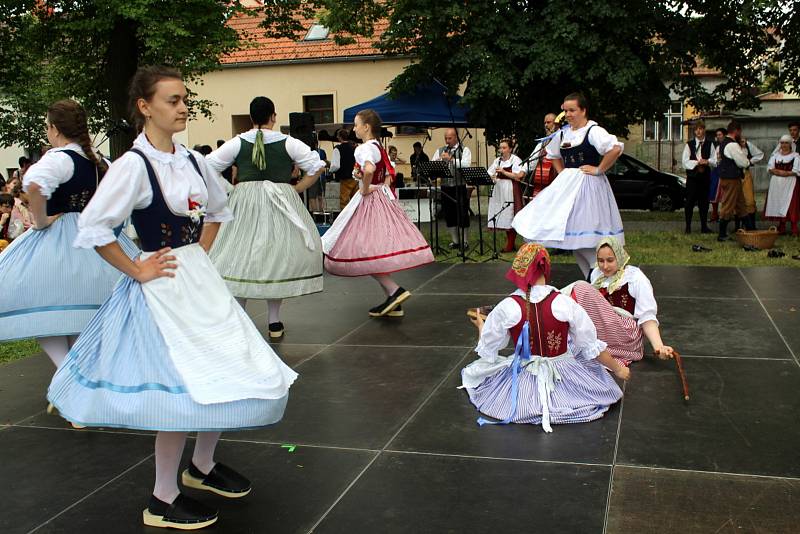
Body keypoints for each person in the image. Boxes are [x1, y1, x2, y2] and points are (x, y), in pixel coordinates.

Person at [47, 66, 297, 530]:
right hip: (160, 292)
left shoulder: (193, 161)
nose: (183, 107)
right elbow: (94, 227)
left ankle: (201, 464)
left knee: (224, 369)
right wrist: (138, 267)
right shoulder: (132, 167)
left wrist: (200, 251)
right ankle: (162, 497)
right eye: (172, 100)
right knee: (182, 388)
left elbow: (219, 209)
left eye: (184, 99)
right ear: (145, 107)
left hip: (197, 282)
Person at [0, 98, 140, 391]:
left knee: (41, 310)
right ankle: (79, 382)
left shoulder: (58, 158)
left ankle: (70, 379)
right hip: (94, 239)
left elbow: (34, 185)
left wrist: (40, 221)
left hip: (59, 239)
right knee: (79, 317)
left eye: (46, 126)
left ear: (53, 128)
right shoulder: (99, 161)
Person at [461, 243, 628, 433]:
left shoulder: (507, 306)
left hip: (525, 373)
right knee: (580, 356)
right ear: (546, 268)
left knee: (480, 375)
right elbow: (590, 345)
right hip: (564, 373)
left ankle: (526, 404)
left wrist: (482, 327)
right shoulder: (564, 303)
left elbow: (489, 349)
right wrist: (618, 369)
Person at [206, 96, 325, 339]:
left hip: (244, 202)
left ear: (251, 118)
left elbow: (207, 166)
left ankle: (240, 318)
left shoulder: (237, 142)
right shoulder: (289, 142)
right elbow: (316, 166)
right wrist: (297, 188)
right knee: (276, 256)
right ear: (273, 116)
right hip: (279, 201)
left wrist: (230, 189)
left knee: (239, 255)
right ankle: (274, 321)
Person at [322, 109, 434, 317]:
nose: (354, 128)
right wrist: (375, 183)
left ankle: (394, 290)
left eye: (356, 124)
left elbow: (370, 170)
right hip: (382, 199)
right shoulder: (378, 147)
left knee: (364, 249)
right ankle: (394, 301)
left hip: (370, 201)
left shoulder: (365, 148)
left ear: (366, 127)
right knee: (375, 249)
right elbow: (387, 173)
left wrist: (365, 188)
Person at [512, 92, 624, 278]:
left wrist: (599, 169)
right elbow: (552, 154)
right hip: (568, 187)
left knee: (588, 240)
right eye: (566, 111)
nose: (569, 114)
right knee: (574, 243)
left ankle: (601, 282)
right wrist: (563, 172)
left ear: (583, 110)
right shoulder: (563, 133)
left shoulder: (593, 130)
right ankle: (592, 282)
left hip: (589, 187)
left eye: (572, 110)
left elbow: (615, 148)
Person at [566, 237, 674, 366]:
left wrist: (659, 346)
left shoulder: (635, 277)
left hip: (626, 334)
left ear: (619, 256)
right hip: (606, 331)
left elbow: (647, 316)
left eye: (610, 260)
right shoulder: (597, 274)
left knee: (581, 288)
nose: (605, 266)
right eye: (601, 261)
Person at [432, 128, 473, 249]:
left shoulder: (464, 149)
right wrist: (439, 161)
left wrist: (452, 159)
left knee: (462, 213)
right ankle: (455, 241)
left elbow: (466, 164)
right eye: (446, 138)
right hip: (445, 186)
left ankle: (465, 241)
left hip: (460, 186)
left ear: (456, 137)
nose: (447, 140)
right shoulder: (440, 150)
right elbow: (433, 164)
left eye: (449, 138)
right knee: (449, 213)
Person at [487, 138, 525, 252]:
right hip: (499, 190)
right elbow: (489, 173)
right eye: (500, 148)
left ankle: (511, 243)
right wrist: (492, 177)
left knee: (510, 214)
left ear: (510, 149)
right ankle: (509, 242)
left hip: (510, 188)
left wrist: (504, 172)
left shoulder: (515, 160)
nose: (501, 150)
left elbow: (519, 176)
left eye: (504, 148)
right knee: (502, 213)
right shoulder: (497, 161)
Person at [717, 120, 752, 240]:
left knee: (741, 204)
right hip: (731, 178)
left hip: (730, 177)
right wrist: (748, 162)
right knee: (728, 205)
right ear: (736, 131)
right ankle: (722, 234)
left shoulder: (724, 143)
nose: (740, 134)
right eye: (740, 132)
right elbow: (742, 162)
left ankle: (750, 229)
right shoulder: (732, 144)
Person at [681, 120, 716, 234]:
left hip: (704, 177)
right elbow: (685, 161)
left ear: (704, 130)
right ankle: (687, 227)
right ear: (694, 132)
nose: (698, 131)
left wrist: (707, 161)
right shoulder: (689, 144)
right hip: (693, 178)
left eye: (700, 129)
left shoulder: (710, 144)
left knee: (704, 203)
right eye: (696, 130)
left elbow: (715, 160)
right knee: (689, 202)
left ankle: (704, 227)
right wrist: (696, 163)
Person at [764, 134, 800, 236]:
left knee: (791, 204)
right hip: (776, 184)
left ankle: (794, 228)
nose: (784, 145)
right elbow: (770, 168)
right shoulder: (775, 156)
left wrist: (785, 173)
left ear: (790, 144)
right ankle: (782, 226)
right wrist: (782, 172)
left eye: (786, 143)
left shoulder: (796, 156)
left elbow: (796, 171)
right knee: (779, 203)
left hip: (790, 183)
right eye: (782, 143)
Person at [521, 113, 559, 201]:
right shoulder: (543, 142)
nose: (546, 125)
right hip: (544, 180)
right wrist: (523, 171)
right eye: (545, 123)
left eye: (548, 122)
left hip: (558, 178)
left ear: (556, 124)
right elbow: (532, 160)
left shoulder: (562, 137)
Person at [739, 134, 764, 231]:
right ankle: (738, 226)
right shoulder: (731, 145)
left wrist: (750, 161)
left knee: (749, 200)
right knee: (737, 200)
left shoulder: (747, 145)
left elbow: (760, 154)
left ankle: (751, 226)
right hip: (735, 174)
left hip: (745, 173)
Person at [329, 128, 358, 209]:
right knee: (355, 201)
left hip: (344, 178)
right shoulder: (354, 147)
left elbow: (335, 166)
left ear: (339, 137)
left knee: (343, 202)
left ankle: (345, 220)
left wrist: (330, 170)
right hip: (355, 178)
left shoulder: (337, 149)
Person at [708, 127, 728, 222]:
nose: (718, 137)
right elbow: (715, 159)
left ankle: (724, 214)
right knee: (714, 191)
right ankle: (715, 213)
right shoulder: (718, 147)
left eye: (720, 134)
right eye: (717, 135)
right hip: (717, 170)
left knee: (725, 194)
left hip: (726, 171)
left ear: (724, 135)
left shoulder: (729, 145)